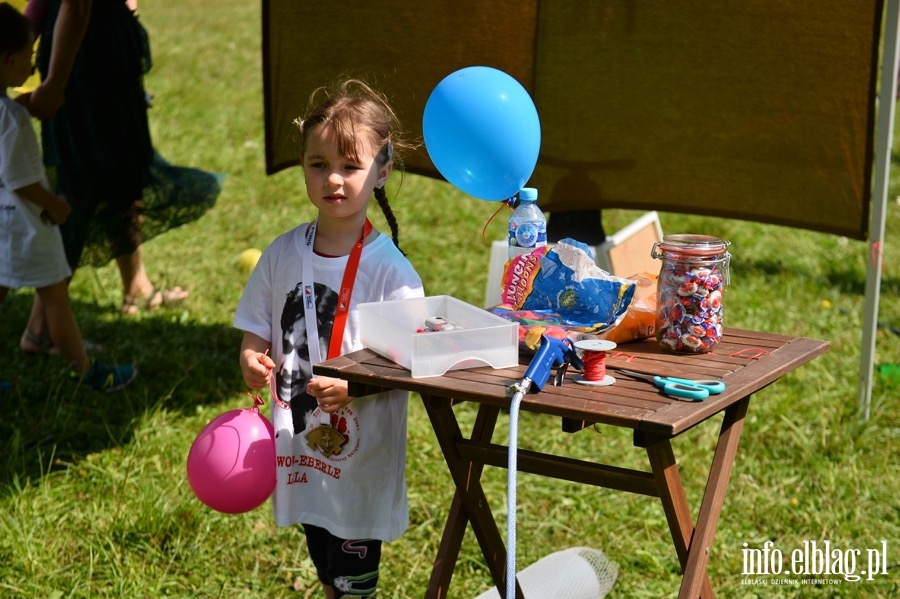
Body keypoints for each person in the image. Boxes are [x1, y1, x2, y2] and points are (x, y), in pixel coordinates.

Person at [234, 79, 424, 598]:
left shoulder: (392, 273)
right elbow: (256, 322)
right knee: (323, 559)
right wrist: (251, 354)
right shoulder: (282, 253)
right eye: (319, 165)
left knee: (353, 580)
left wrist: (357, 386)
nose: (333, 179)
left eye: (350, 166)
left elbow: (412, 360)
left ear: (382, 169)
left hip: (359, 459)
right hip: (299, 448)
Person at [18, 0, 220, 354]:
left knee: (121, 177)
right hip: (85, 56)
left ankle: (135, 285)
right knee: (80, 188)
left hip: (98, 48)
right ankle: (41, 327)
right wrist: (54, 84)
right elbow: (76, 5)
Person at [0, 1, 135, 392]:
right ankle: (88, 371)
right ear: (10, 62)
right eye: (30, 57)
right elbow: (17, 179)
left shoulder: (7, 112)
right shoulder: (11, 118)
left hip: (3, 223)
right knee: (56, 295)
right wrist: (54, 205)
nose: (32, 64)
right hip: (27, 223)